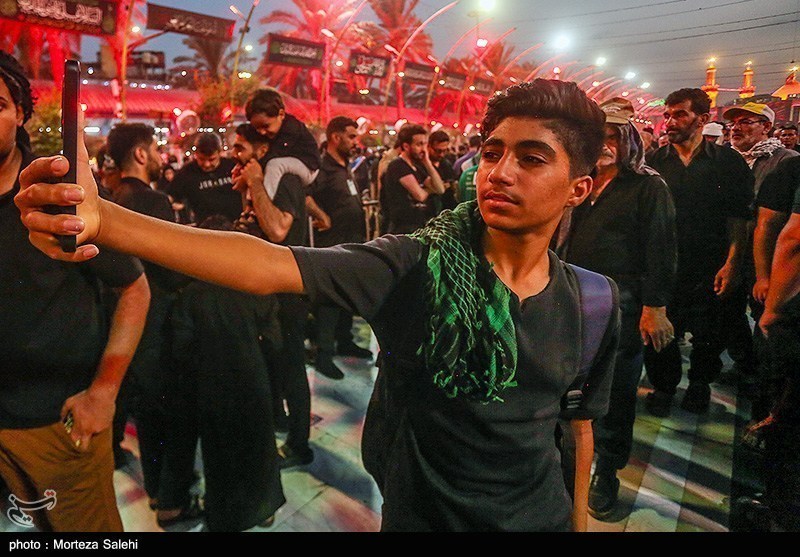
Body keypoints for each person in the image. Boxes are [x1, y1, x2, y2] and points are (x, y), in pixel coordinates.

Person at [16, 79, 620, 532]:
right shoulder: (417, 265)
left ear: (579, 187)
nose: (500, 172)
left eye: (531, 158)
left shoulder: (592, 300)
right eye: (491, 153)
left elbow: (577, 429)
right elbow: (265, 264)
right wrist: (108, 219)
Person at [0, 52, 150, 531]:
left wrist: (103, 394)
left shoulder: (56, 194)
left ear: (20, 113)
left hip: (54, 423)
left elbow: (134, 289)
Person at [561, 97, 677, 519]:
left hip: (621, 305)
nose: (606, 144)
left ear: (629, 140)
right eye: (599, 136)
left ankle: (607, 470)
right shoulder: (578, 180)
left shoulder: (648, 186)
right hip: (570, 299)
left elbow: (661, 250)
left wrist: (655, 307)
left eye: (614, 136)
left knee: (614, 391)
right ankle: (565, 463)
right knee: (567, 385)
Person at [105, 123, 200, 527]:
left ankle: (159, 487)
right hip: (159, 322)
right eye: (156, 149)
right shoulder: (153, 200)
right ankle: (172, 500)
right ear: (141, 155)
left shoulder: (115, 198)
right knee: (173, 413)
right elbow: (172, 267)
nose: (161, 156)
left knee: (147, 412)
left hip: (127, 323)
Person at [170, 215, 285, 531]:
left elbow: (181, 347)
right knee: (259, 445)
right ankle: (263, 509)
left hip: (212, 383)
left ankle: (223, 516)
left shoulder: (191, 294)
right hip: (253, 377)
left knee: (219, 452)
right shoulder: (255, 287)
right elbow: (274, 341)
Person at [644, 88, 754, 416]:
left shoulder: (728, 163)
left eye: (680, 114)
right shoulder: (654, 162)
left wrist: (732, 264)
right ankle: (664, 387)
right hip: (666, 266)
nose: (670, 122)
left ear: (702, 119)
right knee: (662, 330)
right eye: (667, 115)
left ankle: (699, 385)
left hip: (711, 265)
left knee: (710, 333)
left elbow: (739, 219)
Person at [232, 124, 313, 470]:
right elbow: (254, 221)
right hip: (264, 288)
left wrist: (253, 183)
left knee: (292, 366)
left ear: (262, 150)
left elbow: (278, 229)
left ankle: (299, 444)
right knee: (271, 360)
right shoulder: (262, 179)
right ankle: (279, 420)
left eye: (240, 148)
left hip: (287, 290)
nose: (234, 154)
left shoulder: (287, 180)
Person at [308, 116, 371, 381]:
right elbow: (305, 195)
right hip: (331, 246)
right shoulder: (322, 167)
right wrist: (321, 215)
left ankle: (344, 341)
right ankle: (324, 354)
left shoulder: (345, 165)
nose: (356, 141)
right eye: (351, 136)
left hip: (352, 243)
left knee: (347, 295)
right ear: (335, 137)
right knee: (330, 301)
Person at [244, 88, 321, 199]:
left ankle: (266, 200)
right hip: (290, 162)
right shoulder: (269, 129)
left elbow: (276, 153)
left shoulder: (291, 128)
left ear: (281, 114)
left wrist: (255, 168)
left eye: (266, 126)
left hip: (308, 167)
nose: (262, 132)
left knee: (274, 165)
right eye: (257, 128)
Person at [380, 124, 446, 234]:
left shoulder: (418, 166)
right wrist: (429, 190)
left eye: (425, 144)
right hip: (402, 229)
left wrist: (427, 163)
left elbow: (440, 189)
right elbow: (420, 196)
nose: (423, 149)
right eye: (419, 144)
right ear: (406, 146)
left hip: (419, 226)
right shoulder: (397, 165)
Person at [168, 133, 241, 224]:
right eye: (201, 159)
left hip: (235, 225)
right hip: (205, 227)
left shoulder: (232, 166)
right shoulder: (187, 172)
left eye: (211, 159)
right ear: (196, 154)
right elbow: (170, 196)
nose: (207, 164)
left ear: (220, 152)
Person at [427, 130, 458, 211]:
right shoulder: (422, 165)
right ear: (429, 146)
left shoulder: (446, 164)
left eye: (444, 151)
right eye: (438, 151)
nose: (441, 154)